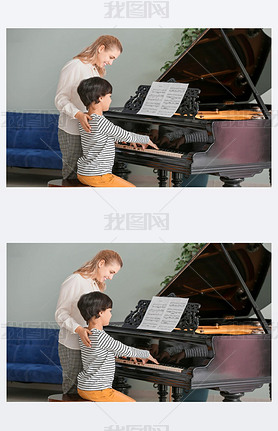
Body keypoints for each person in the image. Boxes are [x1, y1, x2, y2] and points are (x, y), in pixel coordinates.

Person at [55, 250, 123, 395]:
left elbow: (97, 321)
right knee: (72, 390)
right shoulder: (75, 280)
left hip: (91, 348)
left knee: (89, 390)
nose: (111, 277)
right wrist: (79, 329)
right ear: (101, 263)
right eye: (111, 272)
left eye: (114, 274)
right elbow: (60, 314)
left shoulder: (96, 285)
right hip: (72, 346)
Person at [55, 35, 123, 180]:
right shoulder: (75, 66)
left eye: (113, 59)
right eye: (110, 57)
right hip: (72, 131)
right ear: (101, 48)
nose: (110, 63)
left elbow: (96, 106)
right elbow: (60, 99)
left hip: (90, 134)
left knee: (88, 176)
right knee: (72, 176)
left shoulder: (96, 71)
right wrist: (78, 114)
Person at [76, 77, 158, 187]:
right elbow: (125, 134)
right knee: (132, 189)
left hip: (84, 173)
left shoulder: (85, 119)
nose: (110, 100)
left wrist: (122, 140)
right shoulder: (101, 122)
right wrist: (146, 139)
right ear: (100, 98)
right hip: (98, 175)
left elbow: (100, 137)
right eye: (109, 96)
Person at [77, 291, 158, 402]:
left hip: (84, 388)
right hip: (98, 390)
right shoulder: (101, 336)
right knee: (132, 404)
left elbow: (102, 351)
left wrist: (124, 354)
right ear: (100, 313)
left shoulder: (86, 333)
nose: (111, 314)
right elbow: (125, 349)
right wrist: (146, 354)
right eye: (109, 311)